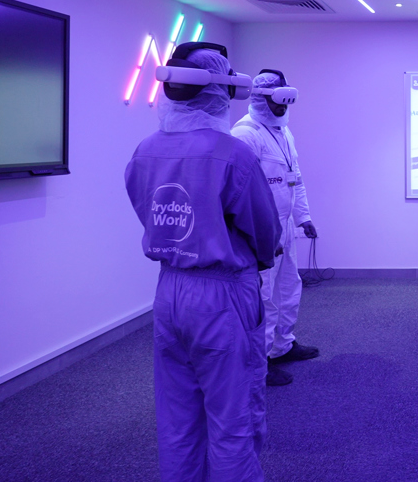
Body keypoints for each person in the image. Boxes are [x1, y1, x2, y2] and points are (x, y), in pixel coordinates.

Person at [124, 43, 280, 482]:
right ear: (220, 92)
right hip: (222, 296)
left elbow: (145, 210)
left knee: (177, 419)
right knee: (233, 419)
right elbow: (264, 232)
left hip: (169, 292)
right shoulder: (232, 154)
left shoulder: (145, 151)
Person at [232, 70, 320, 386]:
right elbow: (242, 194)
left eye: (285, 102)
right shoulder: (245, 135)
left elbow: (295, 179)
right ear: (261, 99)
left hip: (284, 226)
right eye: (276, 102)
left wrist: (303, 217)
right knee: (263, 296)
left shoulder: (283, 132)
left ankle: (282, 345)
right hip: (263, 231)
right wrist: (264, 235)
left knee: (288, 288)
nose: (282, 108)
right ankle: (260, 361)